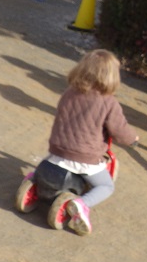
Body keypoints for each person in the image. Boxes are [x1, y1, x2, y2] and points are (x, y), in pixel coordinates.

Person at [40, 49, 139, 235]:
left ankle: (36, 181)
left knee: (62, 163)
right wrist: (133, 139)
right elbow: (119, 130)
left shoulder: (69, 93)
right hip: (84, 158)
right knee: (106, 186)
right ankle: (81, 204)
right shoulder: (109, 102)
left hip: (57, 150)